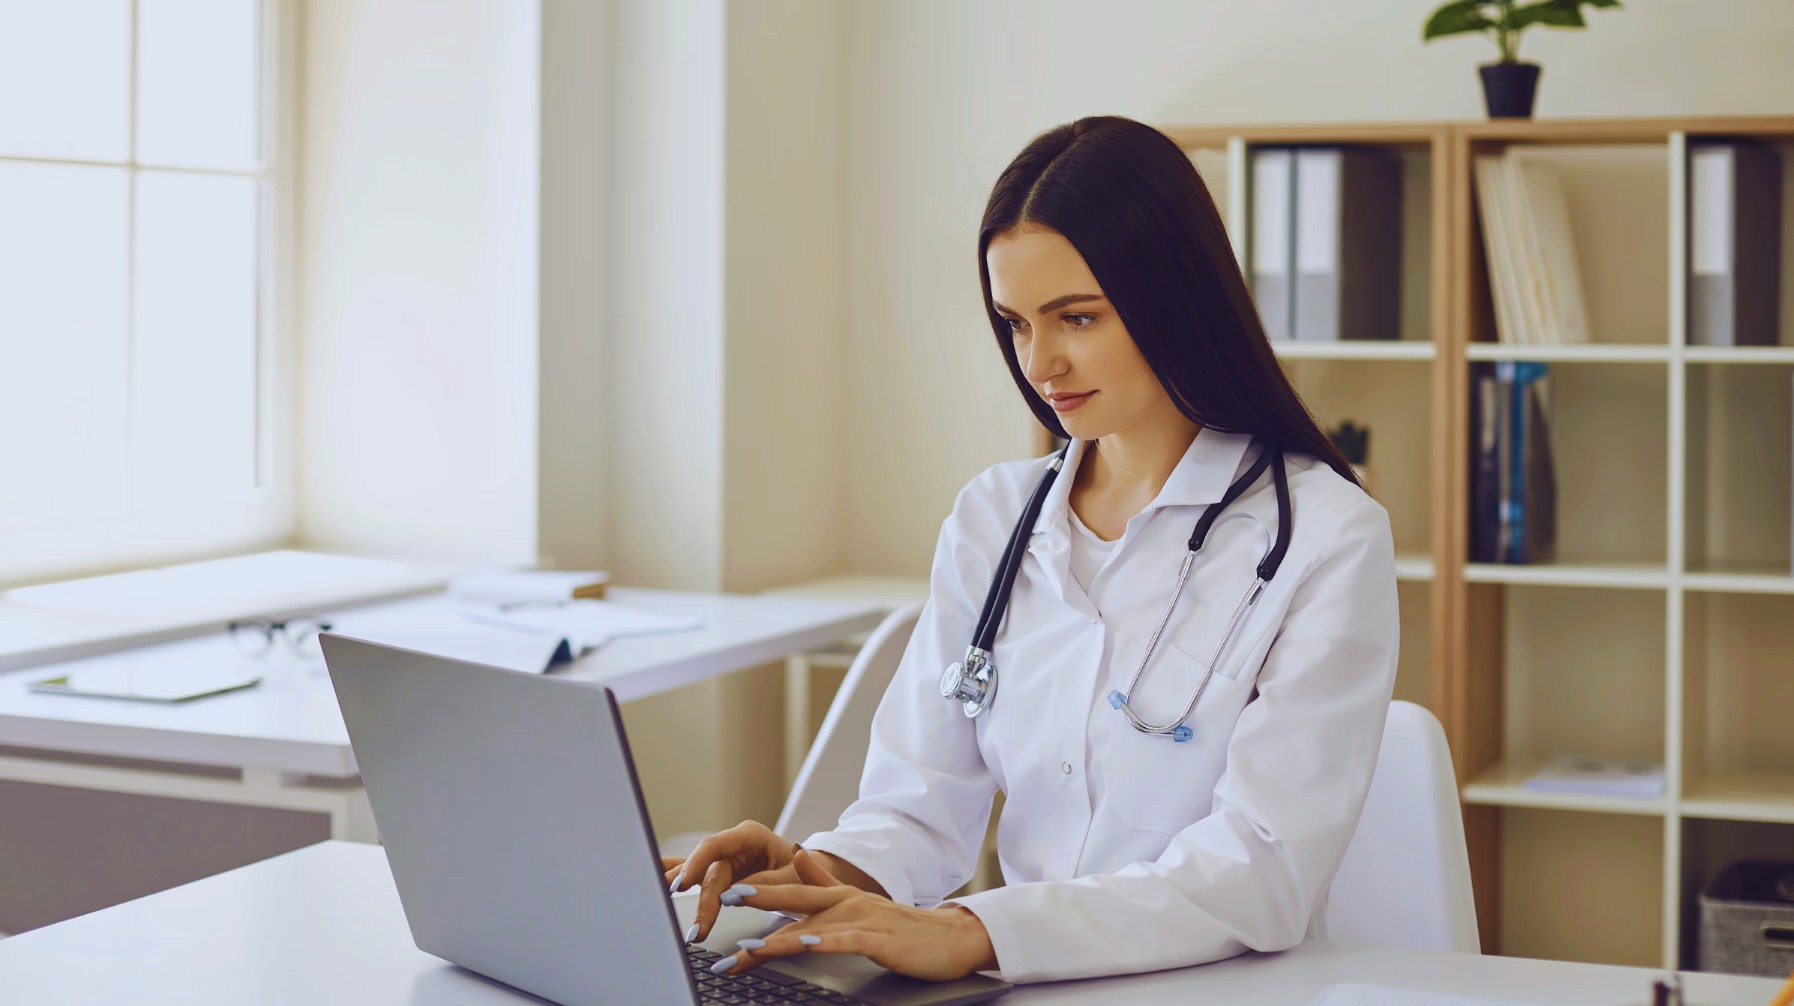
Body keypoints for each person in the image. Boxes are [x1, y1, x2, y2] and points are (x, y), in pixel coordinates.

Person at [664, 115, 1399, 985]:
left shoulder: (1324, 536)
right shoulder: (994, 519)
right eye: (1014, 323)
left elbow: (1261, 871)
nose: (1040, 363)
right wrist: (816, 874)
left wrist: (979, 930)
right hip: (1026, 983)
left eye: (1076, 318)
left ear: (1175, 299)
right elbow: (917, 808)